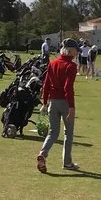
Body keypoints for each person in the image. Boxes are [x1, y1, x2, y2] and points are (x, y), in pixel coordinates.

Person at [36, 40, 82, 174]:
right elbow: (68, 87)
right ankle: (67, 162)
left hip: (53, 102)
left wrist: (45, 103)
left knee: (53, 133)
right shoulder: (71, 66)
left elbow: (46, 84)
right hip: (65, 102)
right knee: (68, 133)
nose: (77, 52)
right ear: (70, 50)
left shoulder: (53, 63)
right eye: (75, 50)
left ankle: (43, 153)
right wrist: (72, 107)